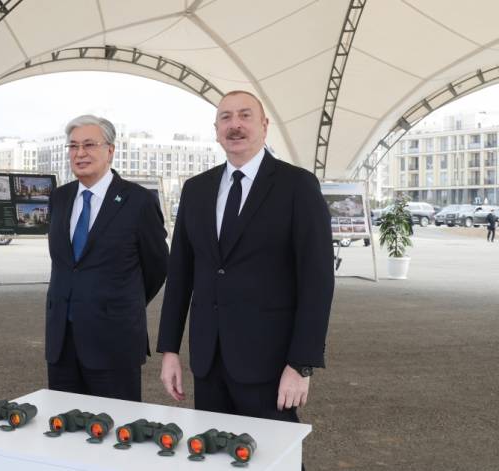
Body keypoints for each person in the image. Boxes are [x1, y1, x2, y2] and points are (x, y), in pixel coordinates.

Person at [157, 91, 334, 425]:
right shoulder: (196, 190)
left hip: (270, 363)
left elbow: (317, 282)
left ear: (264, 126)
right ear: (216, 130)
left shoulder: (297, 186)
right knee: (212, 447)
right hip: (208, 361)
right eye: (225, 117)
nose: (234, 125)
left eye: (245, 115)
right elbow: (180, 275)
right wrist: (170, 350)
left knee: (274, 451)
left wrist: (301, 364)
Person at [45, 114, 169, 402]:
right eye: (73, 146)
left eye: (89, 144)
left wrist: (119, 302)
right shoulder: (60, 198)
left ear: (110, 150)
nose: (80, 153)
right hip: (62, 343)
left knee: (115, 426)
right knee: (63, 423)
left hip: (114, 341)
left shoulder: (138, 201)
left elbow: (157, 266)